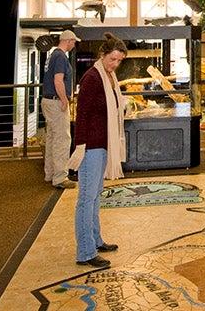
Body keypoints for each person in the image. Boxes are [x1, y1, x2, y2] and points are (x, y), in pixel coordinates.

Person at [71, 32, 127, 268]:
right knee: (87, 198)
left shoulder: (109, 77)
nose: (115, 64)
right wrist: (80, 146)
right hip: (90, 146)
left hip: (103, 145)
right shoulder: (92, 78)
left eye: (119, 61)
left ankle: (95, 240)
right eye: (113, 59)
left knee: (95, 196)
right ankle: (85, 252)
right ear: (103, 54)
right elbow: (82, 114)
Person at [42, 30, 80, 189]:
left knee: (52, 138)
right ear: (68, 40)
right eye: (74, 42)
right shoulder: (60, 57)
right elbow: (58, 80)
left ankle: (50, 173)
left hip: (48, 101)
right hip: (56, 102)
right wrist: (64, 99)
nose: (74, 45)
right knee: (62, 139)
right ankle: (60, 177)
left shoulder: (53, 55)